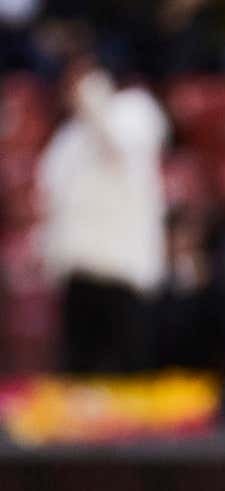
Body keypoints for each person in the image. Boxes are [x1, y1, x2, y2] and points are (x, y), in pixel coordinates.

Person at [38, 55, 169, 373]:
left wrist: (92, 96)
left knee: (130, 374)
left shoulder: (136, 110)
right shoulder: (67, 137)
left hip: (124, 274)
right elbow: (50, 195)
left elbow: (121, 144)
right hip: (79, 271)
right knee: (79, 375)